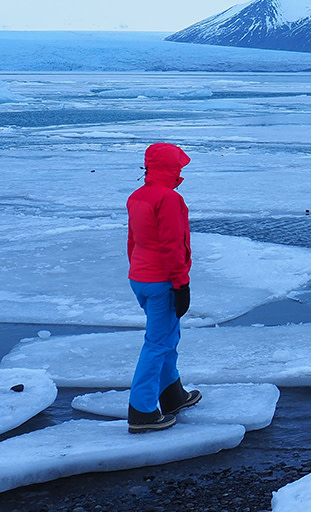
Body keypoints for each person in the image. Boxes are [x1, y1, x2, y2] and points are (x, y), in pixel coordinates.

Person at [126, 142, 202, 432]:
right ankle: (142, 411)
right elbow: (173, 246)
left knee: (167, 336)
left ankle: (172, 395)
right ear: (170, 168)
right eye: (179, 167)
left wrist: (138, 273)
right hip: (162, 281)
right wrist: (181, 284)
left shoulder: (138, 196)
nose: (181, 171)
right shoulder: (169, 199)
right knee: (157, 344)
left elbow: (133, 242)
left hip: (141, 278)